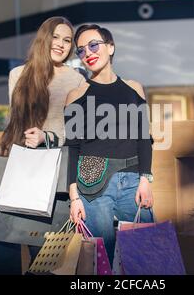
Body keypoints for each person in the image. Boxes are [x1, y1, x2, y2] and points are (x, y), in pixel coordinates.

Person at [64, 24, 155, 263]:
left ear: (111, 47)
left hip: (132, 179)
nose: (88, 53)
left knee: (144, 255)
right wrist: (74, 197)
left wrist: (145, 179)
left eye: (94, 45)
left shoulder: (134, 88)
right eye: (81, 50)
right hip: (92, 181)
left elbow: (144, 138)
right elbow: (72, 147)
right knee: (101, 258)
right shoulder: (76, 95)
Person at [0, 16, 85, 181]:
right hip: (22, 164)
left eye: (67, 40)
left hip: (57, 166)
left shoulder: (77, 80)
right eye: (55, 37)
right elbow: (15, 126)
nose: (61, 44)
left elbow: (78, 134)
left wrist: (45, 137)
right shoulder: (18, 75)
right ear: (44, 38)